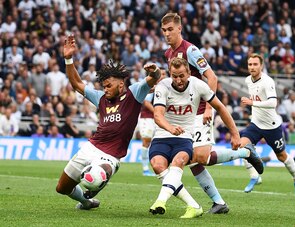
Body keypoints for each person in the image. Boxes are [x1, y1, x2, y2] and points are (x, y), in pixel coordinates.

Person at [55, 35, 161, 210]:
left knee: (96, 176)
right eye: (103, 86)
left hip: (111, 156)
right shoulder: (101, 98)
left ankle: (99, 179)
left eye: (108, 85)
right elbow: (77, 84)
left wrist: (154, 70)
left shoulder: (133, 94)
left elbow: (153, 78)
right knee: (62, 188)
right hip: (91, 147)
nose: (105, 89)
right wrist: (68, 58)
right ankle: (87, 202)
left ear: (120, 85)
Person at [149, 57, 263, 218]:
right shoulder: (165, 78)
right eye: (174, 76)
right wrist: (170, 127)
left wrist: (235, 134)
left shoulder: (191, 56)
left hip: (193, 125)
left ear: (189, 72)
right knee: (186, 161)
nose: (178, 80)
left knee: (198, 158)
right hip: (165, 134)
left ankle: (164, 202)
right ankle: (213, 201)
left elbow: (219, 102)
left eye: (182, 75)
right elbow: (158, 115)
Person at [160, 12, 234, 214]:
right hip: (183, 115)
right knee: (191, 158)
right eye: (164, 30)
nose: (167, 34)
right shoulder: (168, 54)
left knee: (199, 157)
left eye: (170, 30)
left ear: (179, 29)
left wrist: (209, 107)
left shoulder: (190, 50)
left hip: (201, 110)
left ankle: (244, 153)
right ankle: (219, 202)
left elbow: (212, 77)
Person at [240, 53, 295, 198]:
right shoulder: (247, 80)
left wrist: (252, 103)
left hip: (271, 126)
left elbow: (273, 103)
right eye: (250, 64)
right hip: (256, 123)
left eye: (255, 64)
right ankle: (254, 176)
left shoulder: (267, 81)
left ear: (261, 66)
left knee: (282, 156)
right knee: (242, 146)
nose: (252, 67)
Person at [138, 68, 167, 176]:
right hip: (147, 118)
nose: (163, 76)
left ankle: (159, 165)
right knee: (146, 141)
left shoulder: (166, 88)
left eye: (165, 74)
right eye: (162, 74)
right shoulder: (153, 87)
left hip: (157, 119)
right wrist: (157, 112)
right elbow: (146, 102)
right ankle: (145, 168)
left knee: (157, 142)